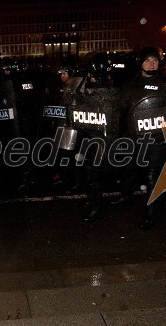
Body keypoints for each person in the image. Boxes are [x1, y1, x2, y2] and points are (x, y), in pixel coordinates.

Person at [111, 46, 166, 230]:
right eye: (148, 60)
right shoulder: (129, 84)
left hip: (157, 137)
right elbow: (120, 109)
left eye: (155, 61)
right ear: (140, 63)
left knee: (152, 175)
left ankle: (151, 213)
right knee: (128, 168)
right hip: (134, 135)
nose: (152, 64)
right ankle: (126, 196)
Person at [70, 52, 120, 222]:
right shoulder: (93, 87)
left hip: (101, 137)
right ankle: (92, 200)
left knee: (93, 174)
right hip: (88, 135)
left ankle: (96, 206)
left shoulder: (110, 90)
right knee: (88, 171)